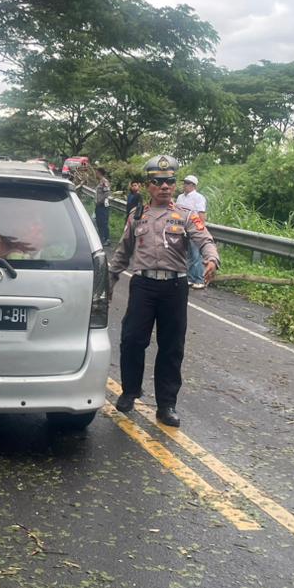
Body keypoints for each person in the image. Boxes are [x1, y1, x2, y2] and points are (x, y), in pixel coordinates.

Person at [108, 154, 219, 428]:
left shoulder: (185, 216)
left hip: (174, 287)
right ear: (149, 185)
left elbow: (205, 239)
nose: (165, 186)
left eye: (170, 181)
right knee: (133, 340)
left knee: (171, 346)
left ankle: (166, 404)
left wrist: (211, 258)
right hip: (143, 285)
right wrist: (108, 281)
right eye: (158, 182)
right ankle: (130, 392)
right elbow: (123, 253)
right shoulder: (137, 216)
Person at [178, 174, 209, 290]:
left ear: (193, 185)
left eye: (186, 183)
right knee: (189, 255)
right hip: (182, 228)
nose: (184, 185)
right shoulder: (180, 197)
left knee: (196, 255)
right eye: (184, 183)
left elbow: (201, 215)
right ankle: (190, 278)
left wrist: (200, 230)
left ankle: (200, 279)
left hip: (194, 228)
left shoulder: (198, 197)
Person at [93, 166, 112, 246]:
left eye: (96, 172)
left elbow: (107, 193)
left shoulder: (104, 182)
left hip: (103, 206)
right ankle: (101, 238)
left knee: (104, 222)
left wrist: (100, 201)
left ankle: (107, 239)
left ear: (100, 173)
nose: (95, 174)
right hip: (98, 206)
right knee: (99, 222)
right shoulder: (100, 182)